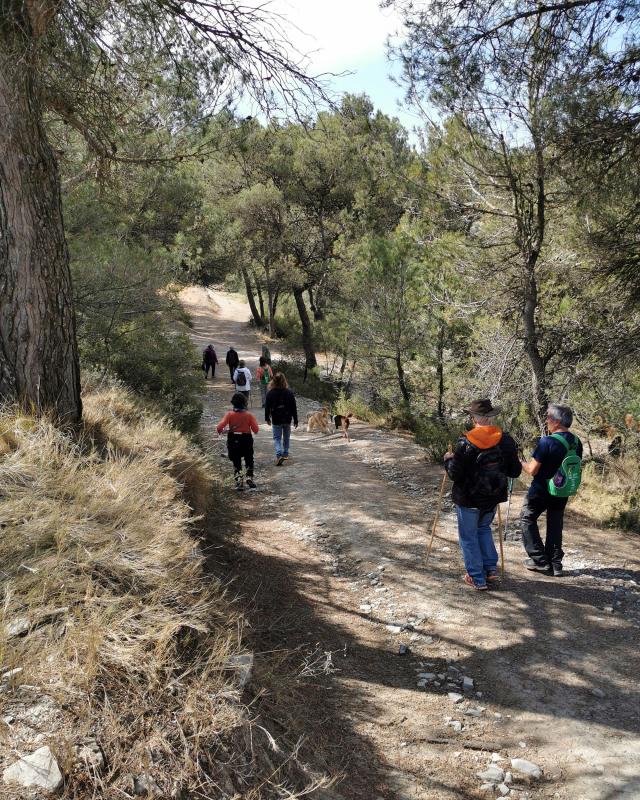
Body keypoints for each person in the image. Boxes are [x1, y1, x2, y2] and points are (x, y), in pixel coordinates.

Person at [443, 399, 522, 590]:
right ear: (491, 417)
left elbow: (455, 474)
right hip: (492, 496)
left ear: (475, 418)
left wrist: (447, 461)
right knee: (484, 528)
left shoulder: (466, 442)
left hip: (468, 498)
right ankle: (490, 570)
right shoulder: (506, 440)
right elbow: (515, 471)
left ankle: (477, 577)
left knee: (469, 536)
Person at [519, 403, 583, 577]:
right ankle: (555, 564)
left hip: (541, 490)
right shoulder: (576, 442)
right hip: (562, 490)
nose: (546, 420)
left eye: (547, 417)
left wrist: (520, 462)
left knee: (527, 519)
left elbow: (532, 470)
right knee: (555, 523)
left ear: (556, 421)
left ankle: (540, 561)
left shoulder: (547, 441)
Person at [216, 392, 259, 490]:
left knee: (236, 460)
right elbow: (256, 430)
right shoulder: (249, 415)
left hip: (233, 438)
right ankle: (249, 477)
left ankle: (239, 481)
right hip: (246, 439)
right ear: (245, 403)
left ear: (233, 403)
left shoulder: (229, 414)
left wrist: (222, 431)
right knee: (249, 459)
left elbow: (219, 427)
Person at [264, 372, 298, 466]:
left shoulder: (270, 393)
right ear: (284, 380)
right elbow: (293, 407)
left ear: (273, 381)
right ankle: (285, 453)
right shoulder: (289, 392)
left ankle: (279, 454)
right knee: (286, 437)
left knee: (277, 438)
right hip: (287, 418)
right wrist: (295, 420)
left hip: (276, 418)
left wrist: (267, 418)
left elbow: (267, 407)